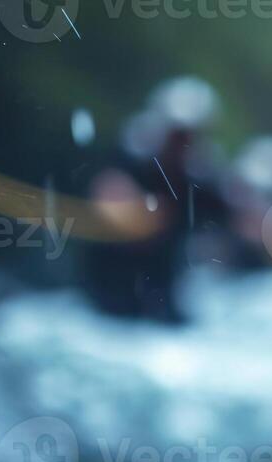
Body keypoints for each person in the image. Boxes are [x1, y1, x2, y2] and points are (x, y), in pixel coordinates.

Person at [82, 77, 243, 323]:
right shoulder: (129, 159)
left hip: (163, 290)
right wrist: (138, 213)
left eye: (192, 134)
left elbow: (236, 215)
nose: (184, 141)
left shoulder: (201, 177)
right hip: (110, 288)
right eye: (179, 133)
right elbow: (107, 188)